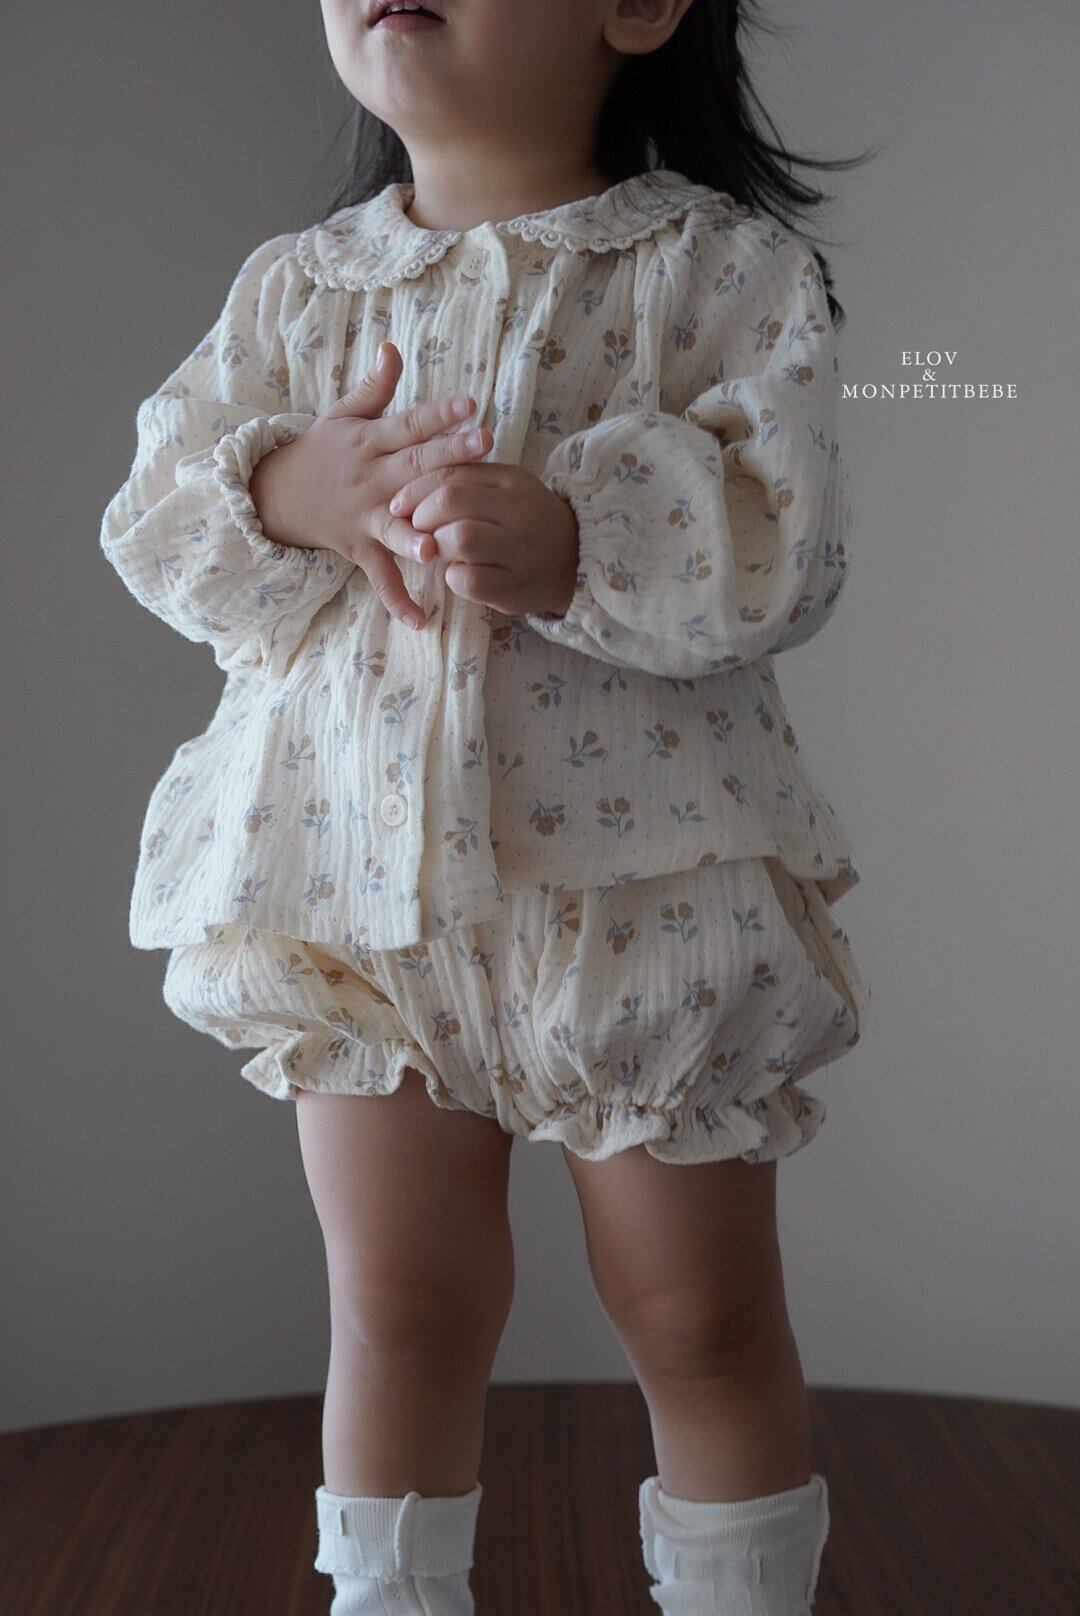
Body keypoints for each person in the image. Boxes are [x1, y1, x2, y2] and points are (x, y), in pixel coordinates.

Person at [99, 1, 877, 1610]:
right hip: (357, 900)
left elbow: (780, 531)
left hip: (638, 900)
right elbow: (160, 517)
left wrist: (582, 539)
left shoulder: (714, 270)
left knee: (698, 1317)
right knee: (399, 1311)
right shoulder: (300, 289)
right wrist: (288, 487)